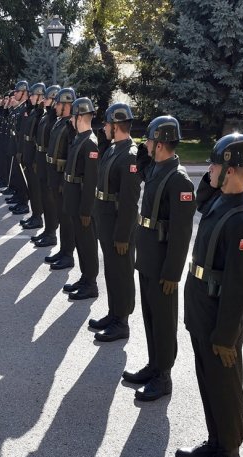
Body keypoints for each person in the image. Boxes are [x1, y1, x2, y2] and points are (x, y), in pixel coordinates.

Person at [177, 133, 243, 457]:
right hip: (202, 308)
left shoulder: (242, 222)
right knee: (207, 380)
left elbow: (240, 286)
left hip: (219, 319)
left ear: (232, 169)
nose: (208, 169)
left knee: (224, 386)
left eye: (215, 163)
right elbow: (201, 197)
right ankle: (215, 442)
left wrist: (226, 336)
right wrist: (215, 175)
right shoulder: (218, 199)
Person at [123, 115, 195, 401]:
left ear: (162, 144)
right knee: (150, 316)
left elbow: (181, 233)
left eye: (151, 140)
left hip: (164, 264)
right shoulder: (155, 168)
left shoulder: (179, 180)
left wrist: (172, 273)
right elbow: (140, 168)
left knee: (164, 321)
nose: (147, 144)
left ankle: (163, 376)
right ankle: (154, 365)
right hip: (148, 257)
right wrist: (143, 151)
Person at [91, 103, 142, 341]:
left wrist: (123, 235)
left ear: (116, 126)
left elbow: (130, 202)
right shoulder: (114, 148)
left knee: (121, 272)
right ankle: (114, 312)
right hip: (107, 220)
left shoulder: (130, 155)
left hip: (119, 225)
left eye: (107, 124)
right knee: (111, 270)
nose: (103, 128)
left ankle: (122, 322)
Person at [61, 97, 100, 300]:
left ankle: (91, 283)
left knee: (87, 243)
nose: (71, 121)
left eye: (73, 117)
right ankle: (85, 278)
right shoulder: (79, 138)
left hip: (82, 203)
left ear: (79, 117)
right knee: (80, 240)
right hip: (73, 198)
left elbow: (91, 181)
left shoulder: (90, 143)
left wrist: (86, 209)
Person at [44, 87, 77, 270]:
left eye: (58, 103)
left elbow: (71, 155)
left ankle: (68, 254)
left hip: (61, 176)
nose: (55, 106)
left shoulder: (70, 126)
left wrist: (65, 180)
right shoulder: (59, 122)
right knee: (60, 216)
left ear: (66, 105)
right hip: (53, 174)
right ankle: (63, 250)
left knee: (66, 219)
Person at [30, 85, 60, 247]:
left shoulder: (55, 119)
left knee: (50, 201)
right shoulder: (46, 116)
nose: (44, 100)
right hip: (41, 160)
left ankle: (52, 233)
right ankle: (47, 230)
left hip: (49, 163)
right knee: (44, 198)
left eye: (48, 98)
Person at [20, 82, 46, 229]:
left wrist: (36, 159)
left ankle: (38, 217)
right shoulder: (33, 110)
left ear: (40, 96)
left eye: (32, 95)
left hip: (35, 156)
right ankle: (34, 214)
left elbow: (40, 138)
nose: (29, 97)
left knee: (36, 189)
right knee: (32, 187)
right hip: (29, 153)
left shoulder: (42, 113)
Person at [5, 81, 31, 216]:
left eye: (17, 91)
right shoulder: (20, 108)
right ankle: (20, 199)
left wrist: (21, 151)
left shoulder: (26, 109)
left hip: (21, 149)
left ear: (24, 93)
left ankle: (24, 203)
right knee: (18, 176)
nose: (14, 94)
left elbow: (23, 133)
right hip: (17, 147)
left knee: (22, 177)